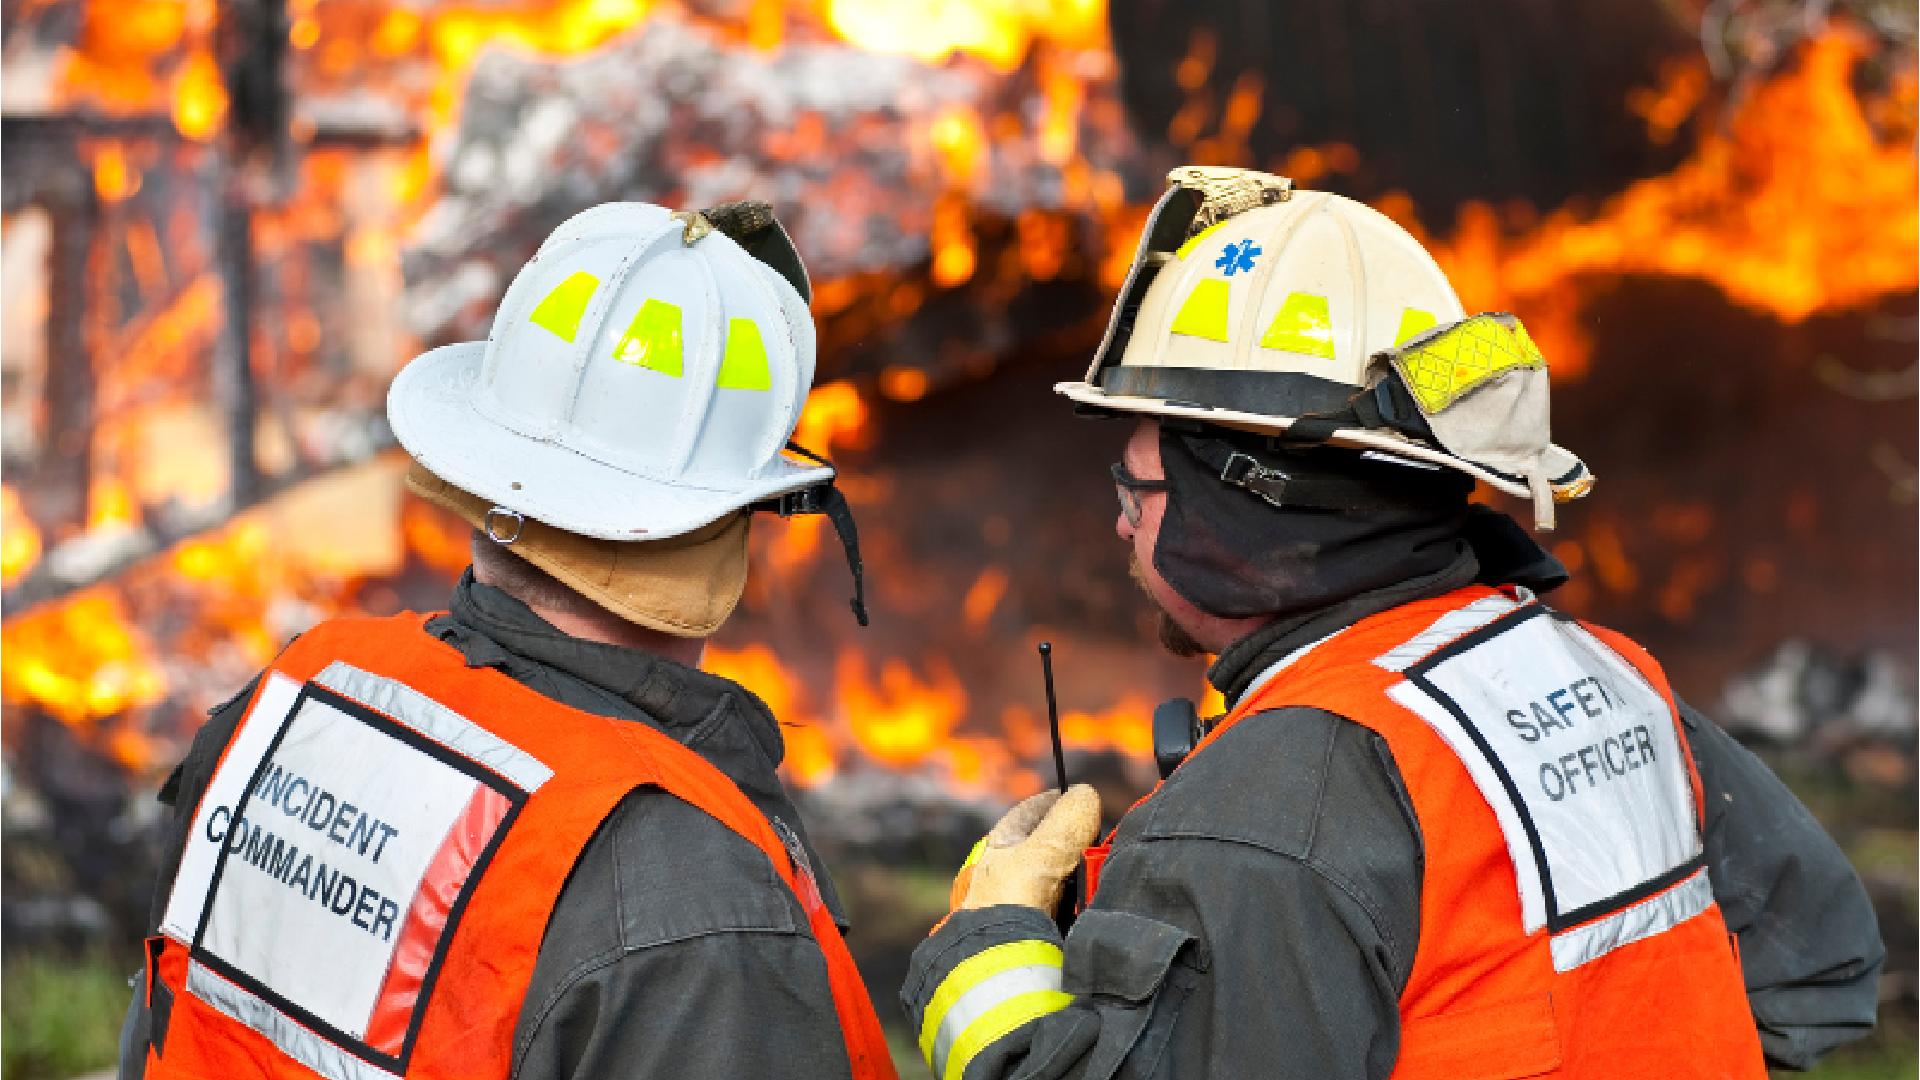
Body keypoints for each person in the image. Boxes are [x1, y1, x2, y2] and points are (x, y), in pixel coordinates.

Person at [901, 166, 1884, 1079]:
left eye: (1141, 481)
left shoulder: (1267, 811)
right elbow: (1814, 969)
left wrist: (990, 950)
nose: (1120, 516)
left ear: (1246, 498)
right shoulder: (1608, 676)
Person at [119, 201, 897, 1080]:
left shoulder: (291, 704)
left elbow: (161, 1030)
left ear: (479, 465)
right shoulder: (692, 903)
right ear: (740, 511)